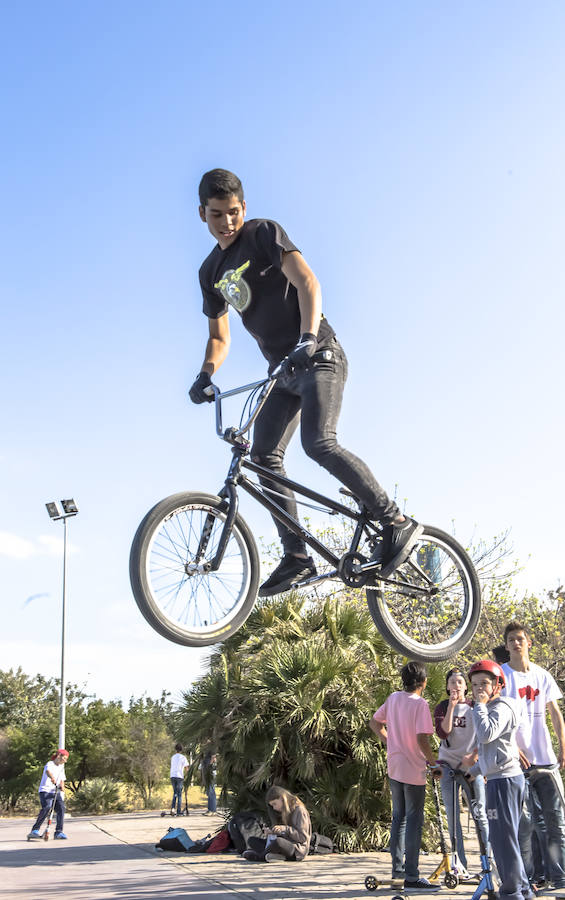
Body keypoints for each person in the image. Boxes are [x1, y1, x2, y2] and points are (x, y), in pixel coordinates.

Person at [190, 168, 422, 597]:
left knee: (318, 443)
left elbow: (307, 281)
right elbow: (219, 336)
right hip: (282, 372)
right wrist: (206, 373)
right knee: (260, 458)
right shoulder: (210, 271)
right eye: (218, 214)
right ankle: (297, 556)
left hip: (318, 355)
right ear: (202, 213)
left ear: (244, 208)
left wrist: (308, 337)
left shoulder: (261, 233)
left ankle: (395, 521)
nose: (227, 223)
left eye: (234, 212)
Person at [501, 620, 565, 893]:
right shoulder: (501, 676)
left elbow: (554, 712)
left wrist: (563, 745)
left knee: (555, 821)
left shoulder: (542, 675)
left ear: (529, 643)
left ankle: (559, 877)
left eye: (520, 638)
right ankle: (530, 879)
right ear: (506, 646)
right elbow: (497, 716)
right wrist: (512, 747)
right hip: (517, 762)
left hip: (546, 760)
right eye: (511, 640)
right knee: (526, 823)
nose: (516, 643)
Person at [370, 661, 439, 893]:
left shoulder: (393, 698)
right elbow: (422, 739)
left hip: (395, 765)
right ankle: (411, 875)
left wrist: (391, 741)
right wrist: (433, 761)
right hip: (413, 768)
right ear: (424, 682)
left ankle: (397, 873)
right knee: (413, 821)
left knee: (398, 819)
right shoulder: (420, 704)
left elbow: (375, 722)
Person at [467, 660, 533, 900]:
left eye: (484, 683)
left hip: (504, 782)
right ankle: (522, 890)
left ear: (497, 685)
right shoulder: (492, 707)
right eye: (474, 685)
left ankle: (512, 892)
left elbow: (486, 735)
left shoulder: (501, 707)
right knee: (504, 840)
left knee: (503, 842)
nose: (479, 689)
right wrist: (473, 771)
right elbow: (496, 750)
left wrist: (480, 706)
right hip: (499, 779)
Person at [433, 668, 489, 877]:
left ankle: (487, 863)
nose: (456, 686)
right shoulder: (442, 707)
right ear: (447, 687)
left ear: (466, 686)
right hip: (447, 765)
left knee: (480, 814)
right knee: (453, 816)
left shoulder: (476, 707)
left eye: (460, 682)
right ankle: (459, 865)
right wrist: (452, 707)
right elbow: (443, 731)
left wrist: (474, 756)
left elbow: (485, 735)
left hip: (471, 766)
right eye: (452, 682)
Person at [242, 785, 312, 862]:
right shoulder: (281, 812)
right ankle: (276, 856)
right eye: (272, 806)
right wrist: (272, 832)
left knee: (278, 842)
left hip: (296, 849)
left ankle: (260, 857)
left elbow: (303, 838)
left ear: (282, 798)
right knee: (252, 840)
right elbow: (283, 834)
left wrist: (286, 829)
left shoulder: (300, 811)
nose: (274, 808)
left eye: (274, 804)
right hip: (283, 845)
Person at [27, 748, 69, 840]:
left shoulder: (61, 767)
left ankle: (58, 832)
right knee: (47, 807)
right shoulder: (50, 764)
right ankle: (35, 830)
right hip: (45, 791)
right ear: (59, 756)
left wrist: (62, 786)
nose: (65, 761)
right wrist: (52, 778)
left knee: (61, 809)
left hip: (55, 792)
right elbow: (48, 772)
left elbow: (62, 779)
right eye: (64, 758)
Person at [169, 743, 189, 816]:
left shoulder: (173, 757)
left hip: (172, 776)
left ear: (175, 749)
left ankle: (172, 808)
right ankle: (178, 811)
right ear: (181, 750)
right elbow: (186, 768)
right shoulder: (183, 757)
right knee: (179, 794)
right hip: (179, 776)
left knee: (175, 793)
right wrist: (188, 776)